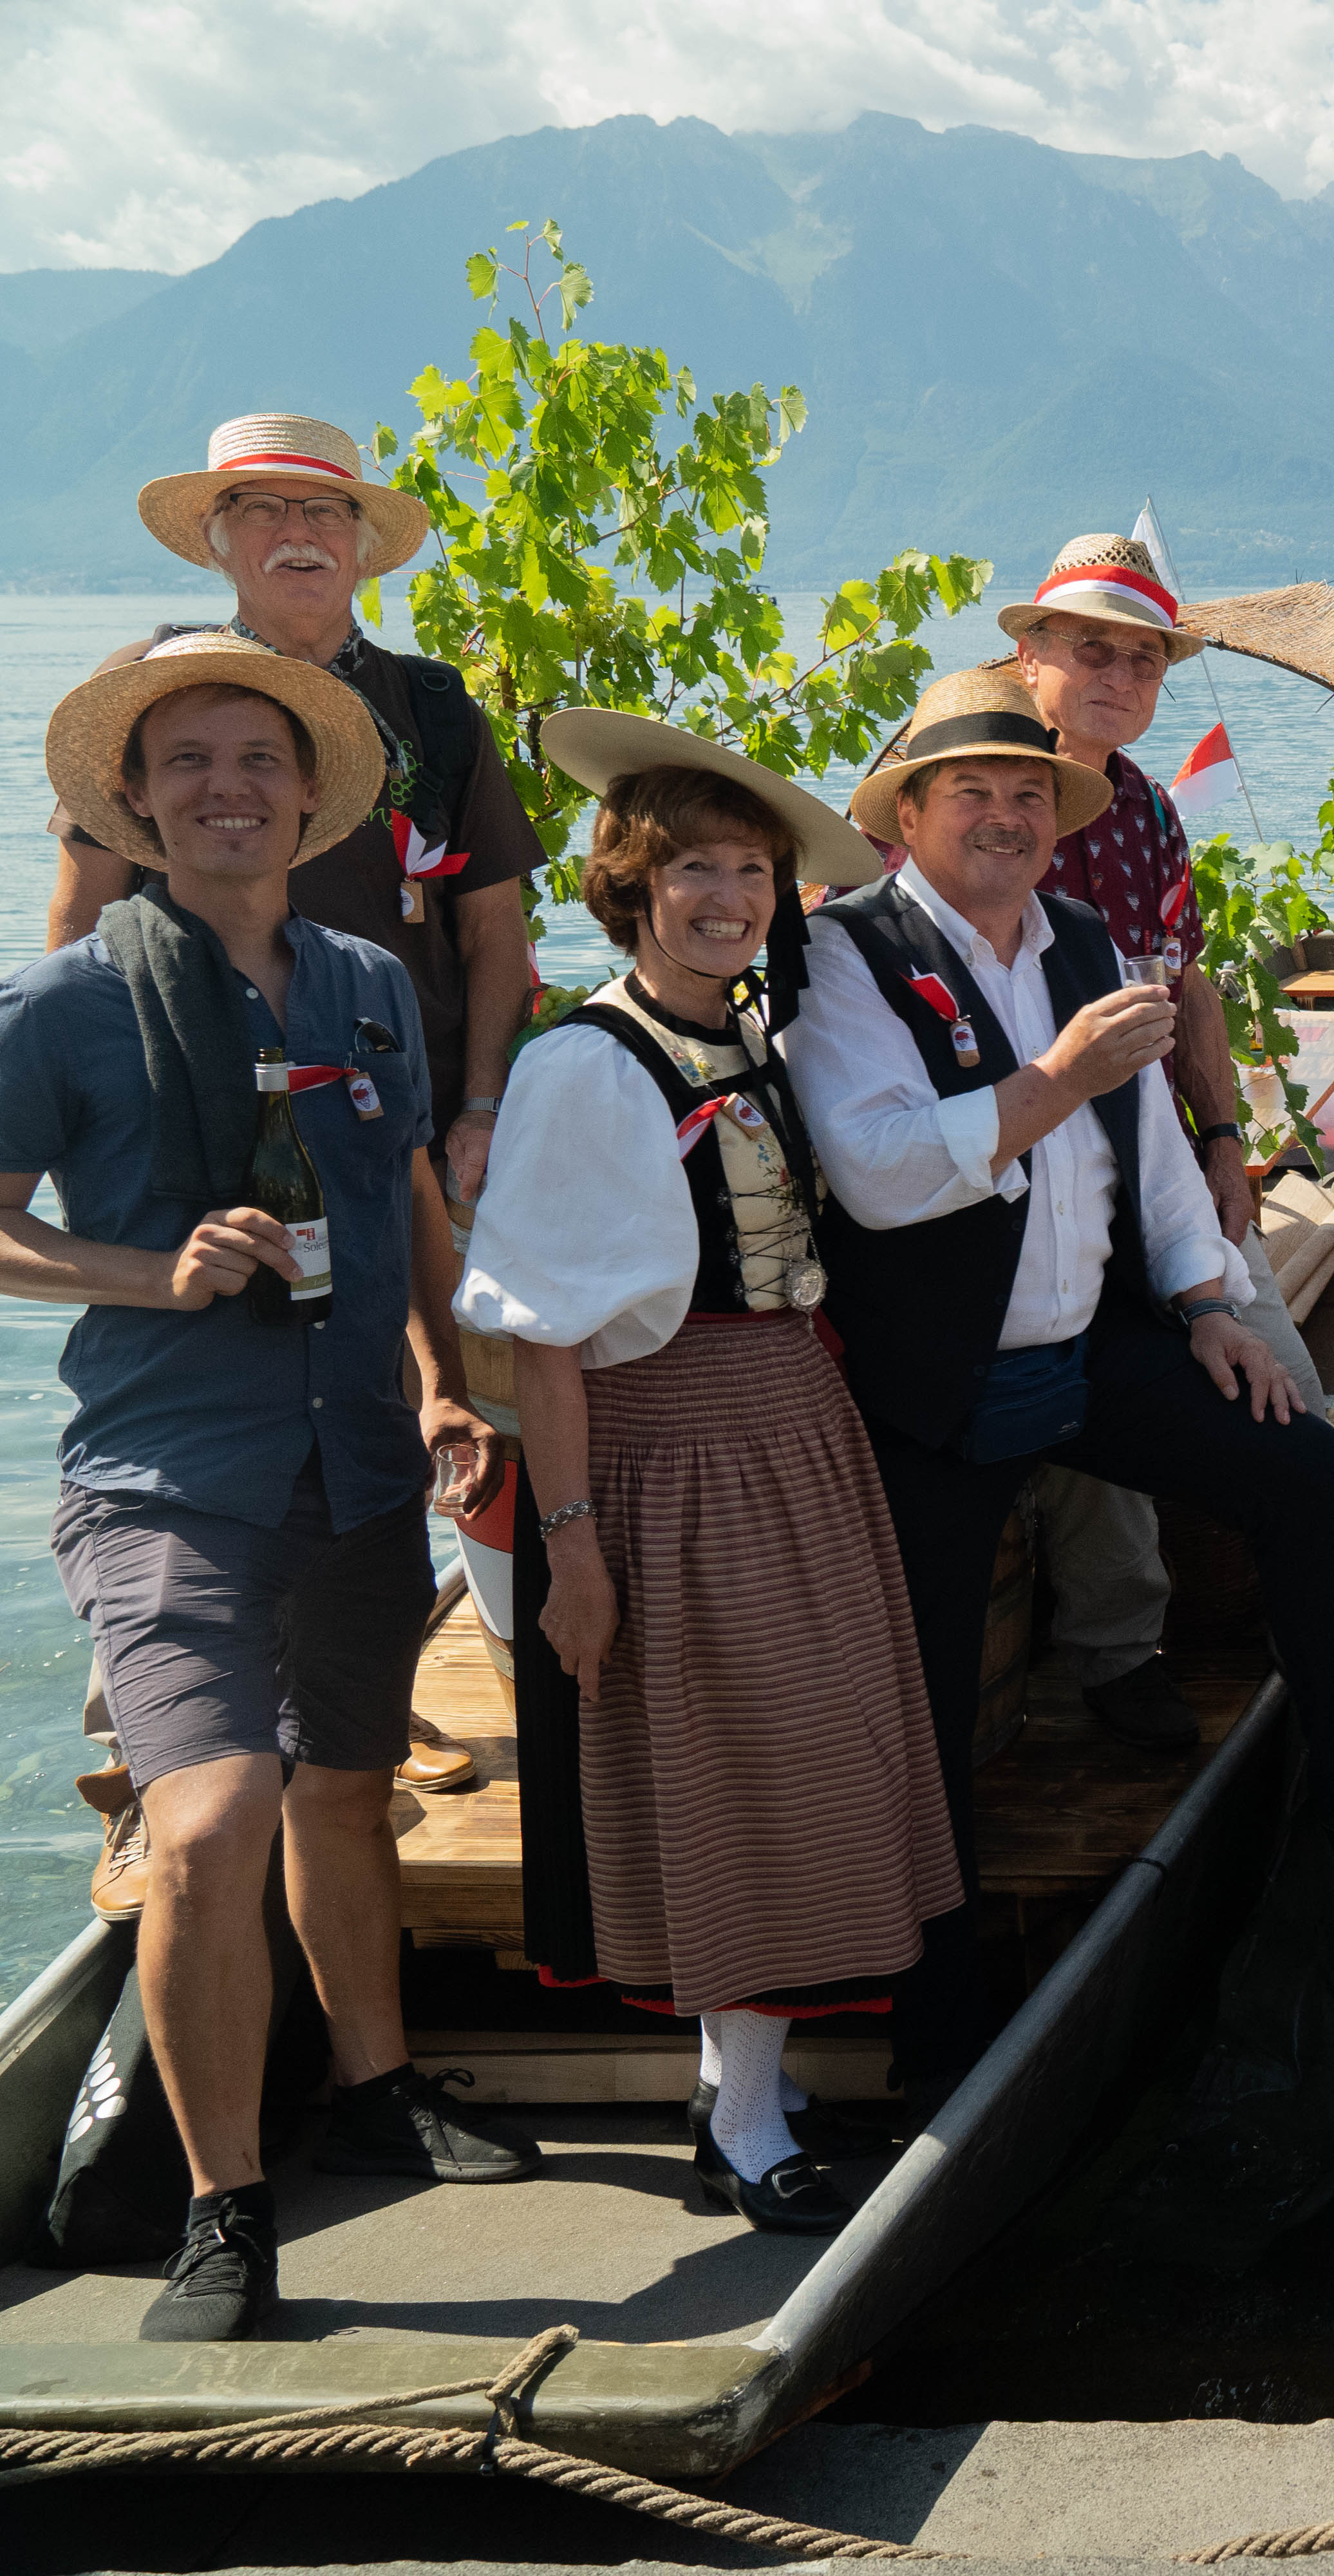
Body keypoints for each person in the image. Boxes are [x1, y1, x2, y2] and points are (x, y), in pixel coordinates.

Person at [784, 668, 1334, 2094]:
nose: (1005, 817)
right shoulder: (847, 955)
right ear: (908, 814)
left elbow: (1152, 1146)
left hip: (1090, 1346)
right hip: (929, 1389)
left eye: (1027, 796)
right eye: (972, 794)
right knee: (924, 1716)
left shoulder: (1074, 931)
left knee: (1309, 1480)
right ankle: (935, 2049)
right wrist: (1057, 1072)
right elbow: (878, 1179)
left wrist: (1205, 1302)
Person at [3, 634, 533, 2342]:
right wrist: (146, 1272)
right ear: (138, 806)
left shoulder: (372, 982)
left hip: (364, 1459)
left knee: (345, 1785)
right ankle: (225, 2211)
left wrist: (448, 1382)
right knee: (213, 1815)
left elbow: (405, 1209)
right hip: (171, 1478)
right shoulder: (67, 1002)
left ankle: (376, 2084)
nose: (227, 788)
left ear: (311, 797)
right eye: (188, 767)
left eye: (258, 761)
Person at [454, 712, 961, 2234]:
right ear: (630, 882)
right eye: (693, 870)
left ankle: (741, 2083)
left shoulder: (743, 1035)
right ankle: (741, 2122)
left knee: (788, 1760)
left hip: (791, 1426)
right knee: (742, 1773)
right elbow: (545, 1341)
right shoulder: (586, 1069)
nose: (728, 895)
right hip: (674, 1449)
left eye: (749, 870)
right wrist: (577, 1546)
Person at [49, 415, 541, 1186]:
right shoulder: (151, 687)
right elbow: (82, 918)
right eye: (261, 508)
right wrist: (72, 1097)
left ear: (362, 543)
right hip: (194, 1128)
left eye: (325, 510)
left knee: (425, 1313)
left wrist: (482, 1105)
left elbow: (494, 928)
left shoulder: (437, 708)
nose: (297, 531)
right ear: (219, 542)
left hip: (412, 1132)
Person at [992, 534, 1301, 1754]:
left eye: (1141, 659)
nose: (1117, 676)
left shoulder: (1147, 809)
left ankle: (1307, 1604)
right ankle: (1122, 1656)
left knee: (1280, 1379)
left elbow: (1189, 985)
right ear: (1029, 659)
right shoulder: (965, 784)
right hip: (1011, 1166)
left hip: (1156, 1158)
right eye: (1091, 650)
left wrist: (1223, 1136)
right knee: (1083, 1398)